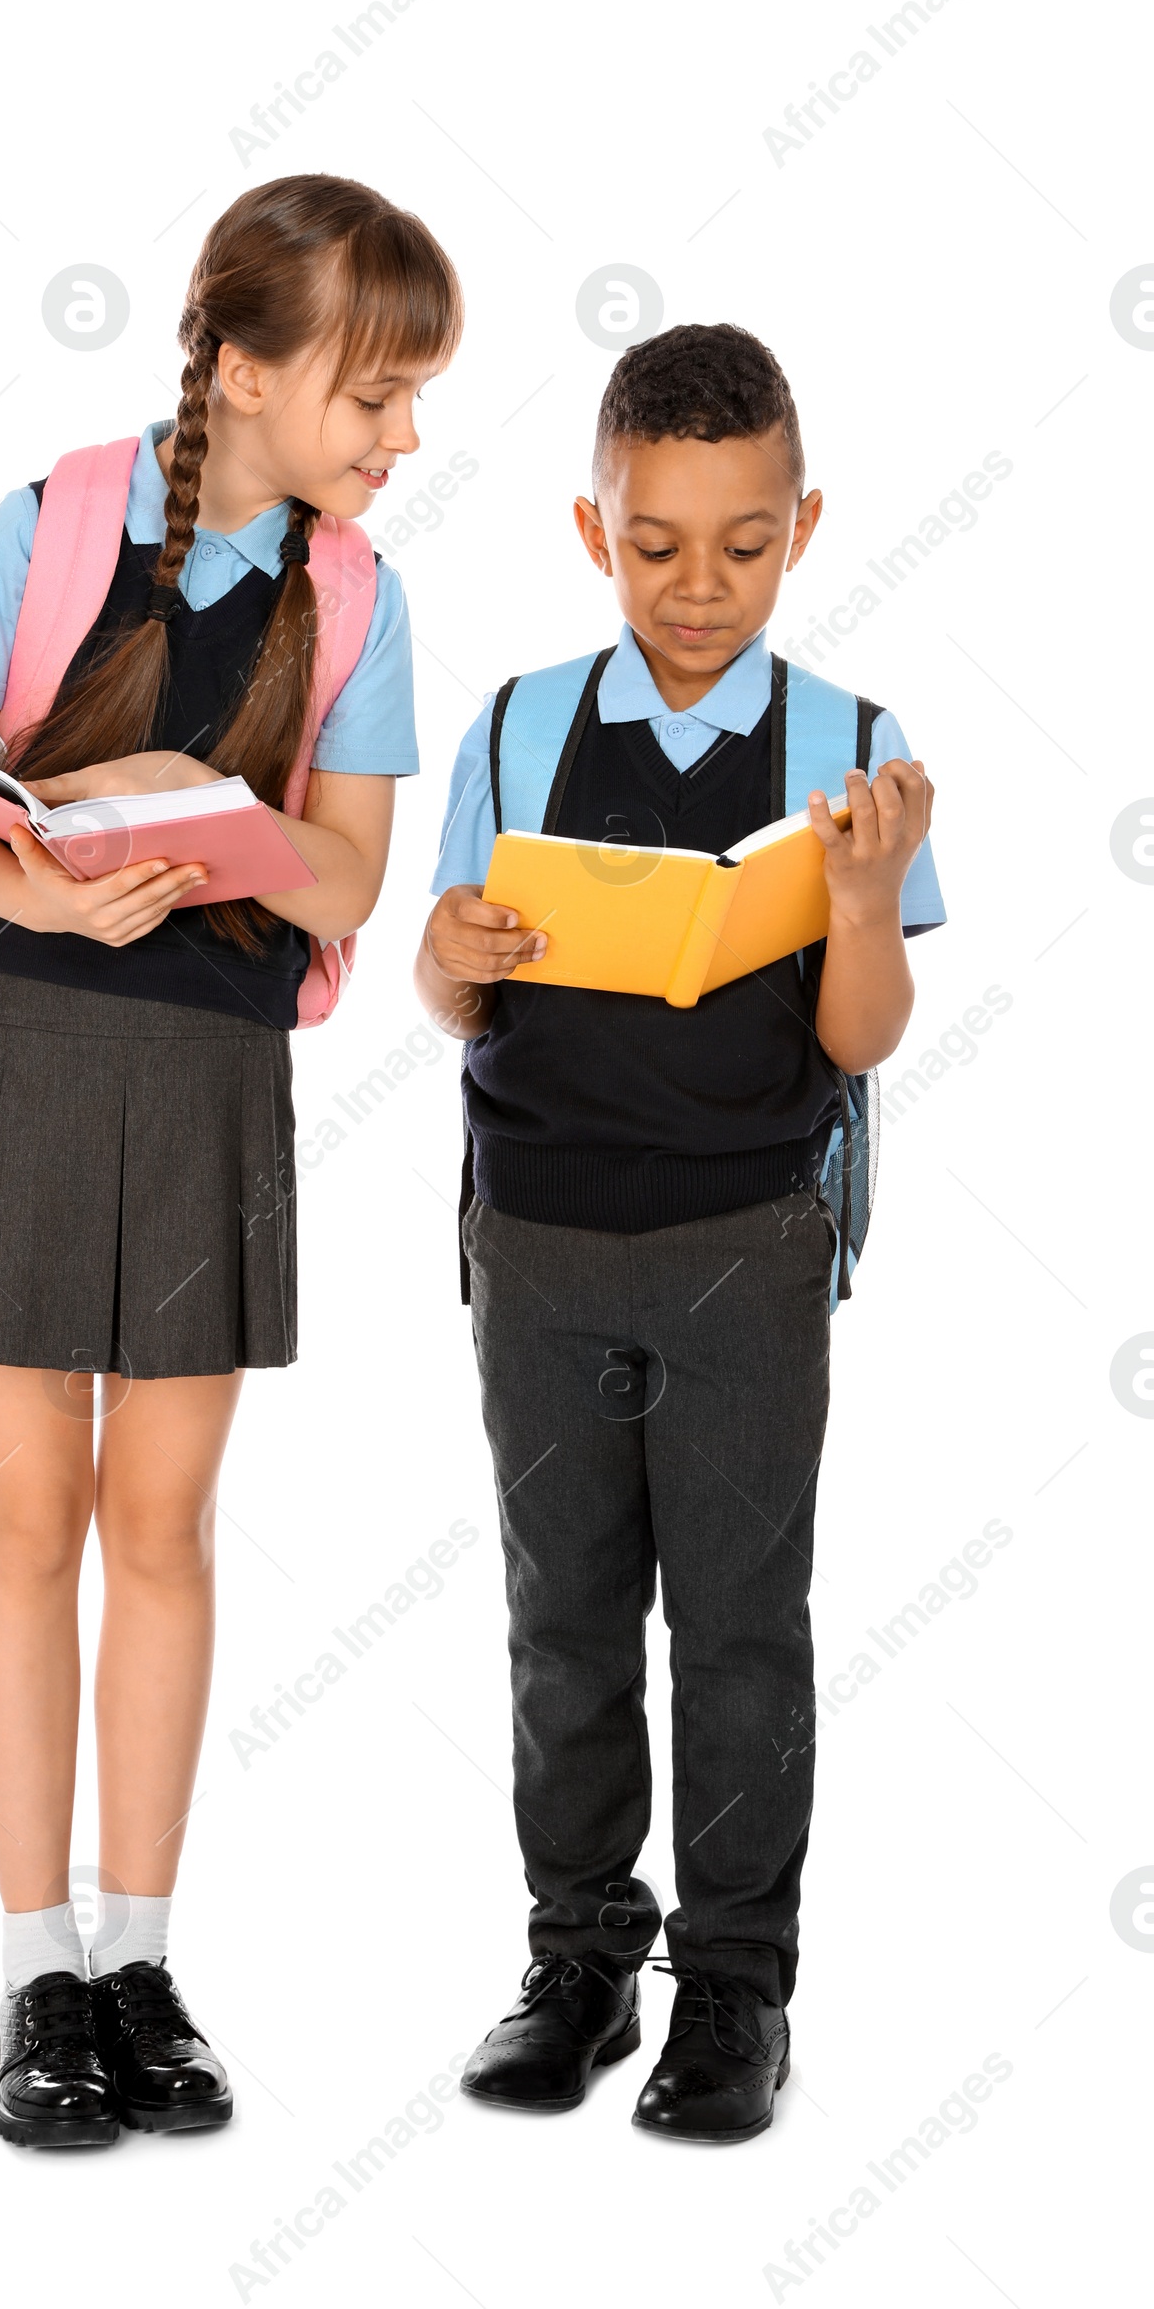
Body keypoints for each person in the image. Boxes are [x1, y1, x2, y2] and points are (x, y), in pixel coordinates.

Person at [0, 175, 461, 2149]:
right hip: (18, 1050)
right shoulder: (47, 521)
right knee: (28, 1510)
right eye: (371, 397)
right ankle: (34, 1967)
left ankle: (139, 1955)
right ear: (241, 364)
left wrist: (181, 812)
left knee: (168, 1526)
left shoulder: (356, 598)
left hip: (211, 1077)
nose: (394, 439)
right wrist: (38, 867)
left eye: (406, 404)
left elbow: (356, 874)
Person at [414, 323, 943, 2140]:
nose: (698, 585)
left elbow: (859, 1040)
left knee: (737, 1629)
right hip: (543, 1240)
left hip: (747, 1244)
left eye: (743, 543)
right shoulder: (518, 724)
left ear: (805, 523)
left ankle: (734, 1986)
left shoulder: (853, 750)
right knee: (562, 1623)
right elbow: (448, 985)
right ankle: (580, 1959)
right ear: (591, 529)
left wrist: (860, 902)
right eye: (657, 544)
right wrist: (450, 960)